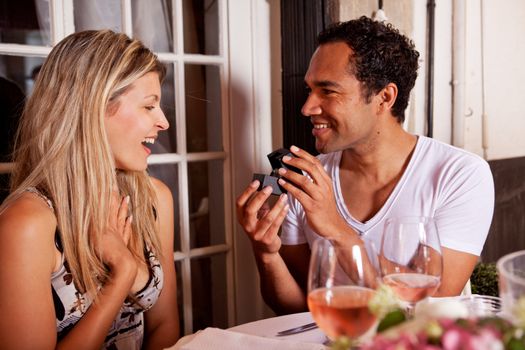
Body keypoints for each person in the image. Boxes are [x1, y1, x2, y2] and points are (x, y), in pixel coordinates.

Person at [236, 16, 494, 314]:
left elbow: (431, 308)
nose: (307, 108)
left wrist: (335, 228)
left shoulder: (460, 175)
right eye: (309, 90)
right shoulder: (306, 179)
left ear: (384, 97)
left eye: (328, 91)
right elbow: (299, 308)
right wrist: (267, 254)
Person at [0, 30, 179, 349]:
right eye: (149, 106)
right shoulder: (26, 224)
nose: (163, 122)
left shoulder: (153, 199)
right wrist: (121, 275)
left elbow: (165, 326)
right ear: (92, 108)